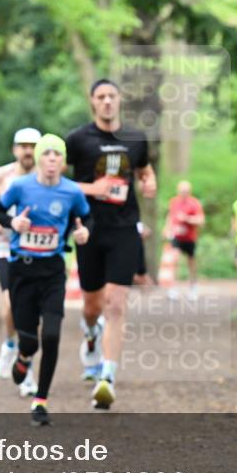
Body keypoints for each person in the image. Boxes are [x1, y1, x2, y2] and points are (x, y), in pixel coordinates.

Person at [66, 78, 157, 409]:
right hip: (89, 229)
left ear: (120, 100)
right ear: (92, 102)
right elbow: (58, 181)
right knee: (92, 306)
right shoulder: (77, 139)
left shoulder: (135, 137)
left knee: (116, 304)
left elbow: (145, 171)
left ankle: (107, 377)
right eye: (100, 97)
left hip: (124, 229)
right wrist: (94, 189)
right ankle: (90, 335)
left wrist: (149, 184)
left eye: (112, 96)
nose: (107, 102)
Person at [0, 134, 91, 426]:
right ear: (38, 159)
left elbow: (86, 218)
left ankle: (41, 400)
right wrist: (13, 223)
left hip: (52, 272)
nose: (51, 160)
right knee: (31, 340)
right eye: (46, 154)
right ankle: (23, 355)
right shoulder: (21, 187)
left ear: (62, 161)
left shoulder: (71, 192)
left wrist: (84, 233)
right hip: (22, 270)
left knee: (52, 335)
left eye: (56, 155)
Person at [0, 127, 42, 396]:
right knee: (12, 304)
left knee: (32, 313)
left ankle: (25, 369)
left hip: (35, 250)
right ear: (15, 149)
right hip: (5, 247)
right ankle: (10, 344)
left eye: (32, 146)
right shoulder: (0, 176)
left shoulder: (47, 178)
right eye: (23, 146)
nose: (27, 151)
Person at [165, 180, 205, 300]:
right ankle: (173, 288)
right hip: (177, 237)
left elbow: (201, 220)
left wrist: (187, 219)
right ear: (178, 190)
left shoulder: (195, 203)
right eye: (182, 191)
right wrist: (167, 229)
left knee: (191, 263)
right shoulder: (173, 202)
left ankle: (193, 287)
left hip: (190, 238)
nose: (184, 193)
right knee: (174, 260)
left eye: (186, 191)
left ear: (189, 191)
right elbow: (170, 216)